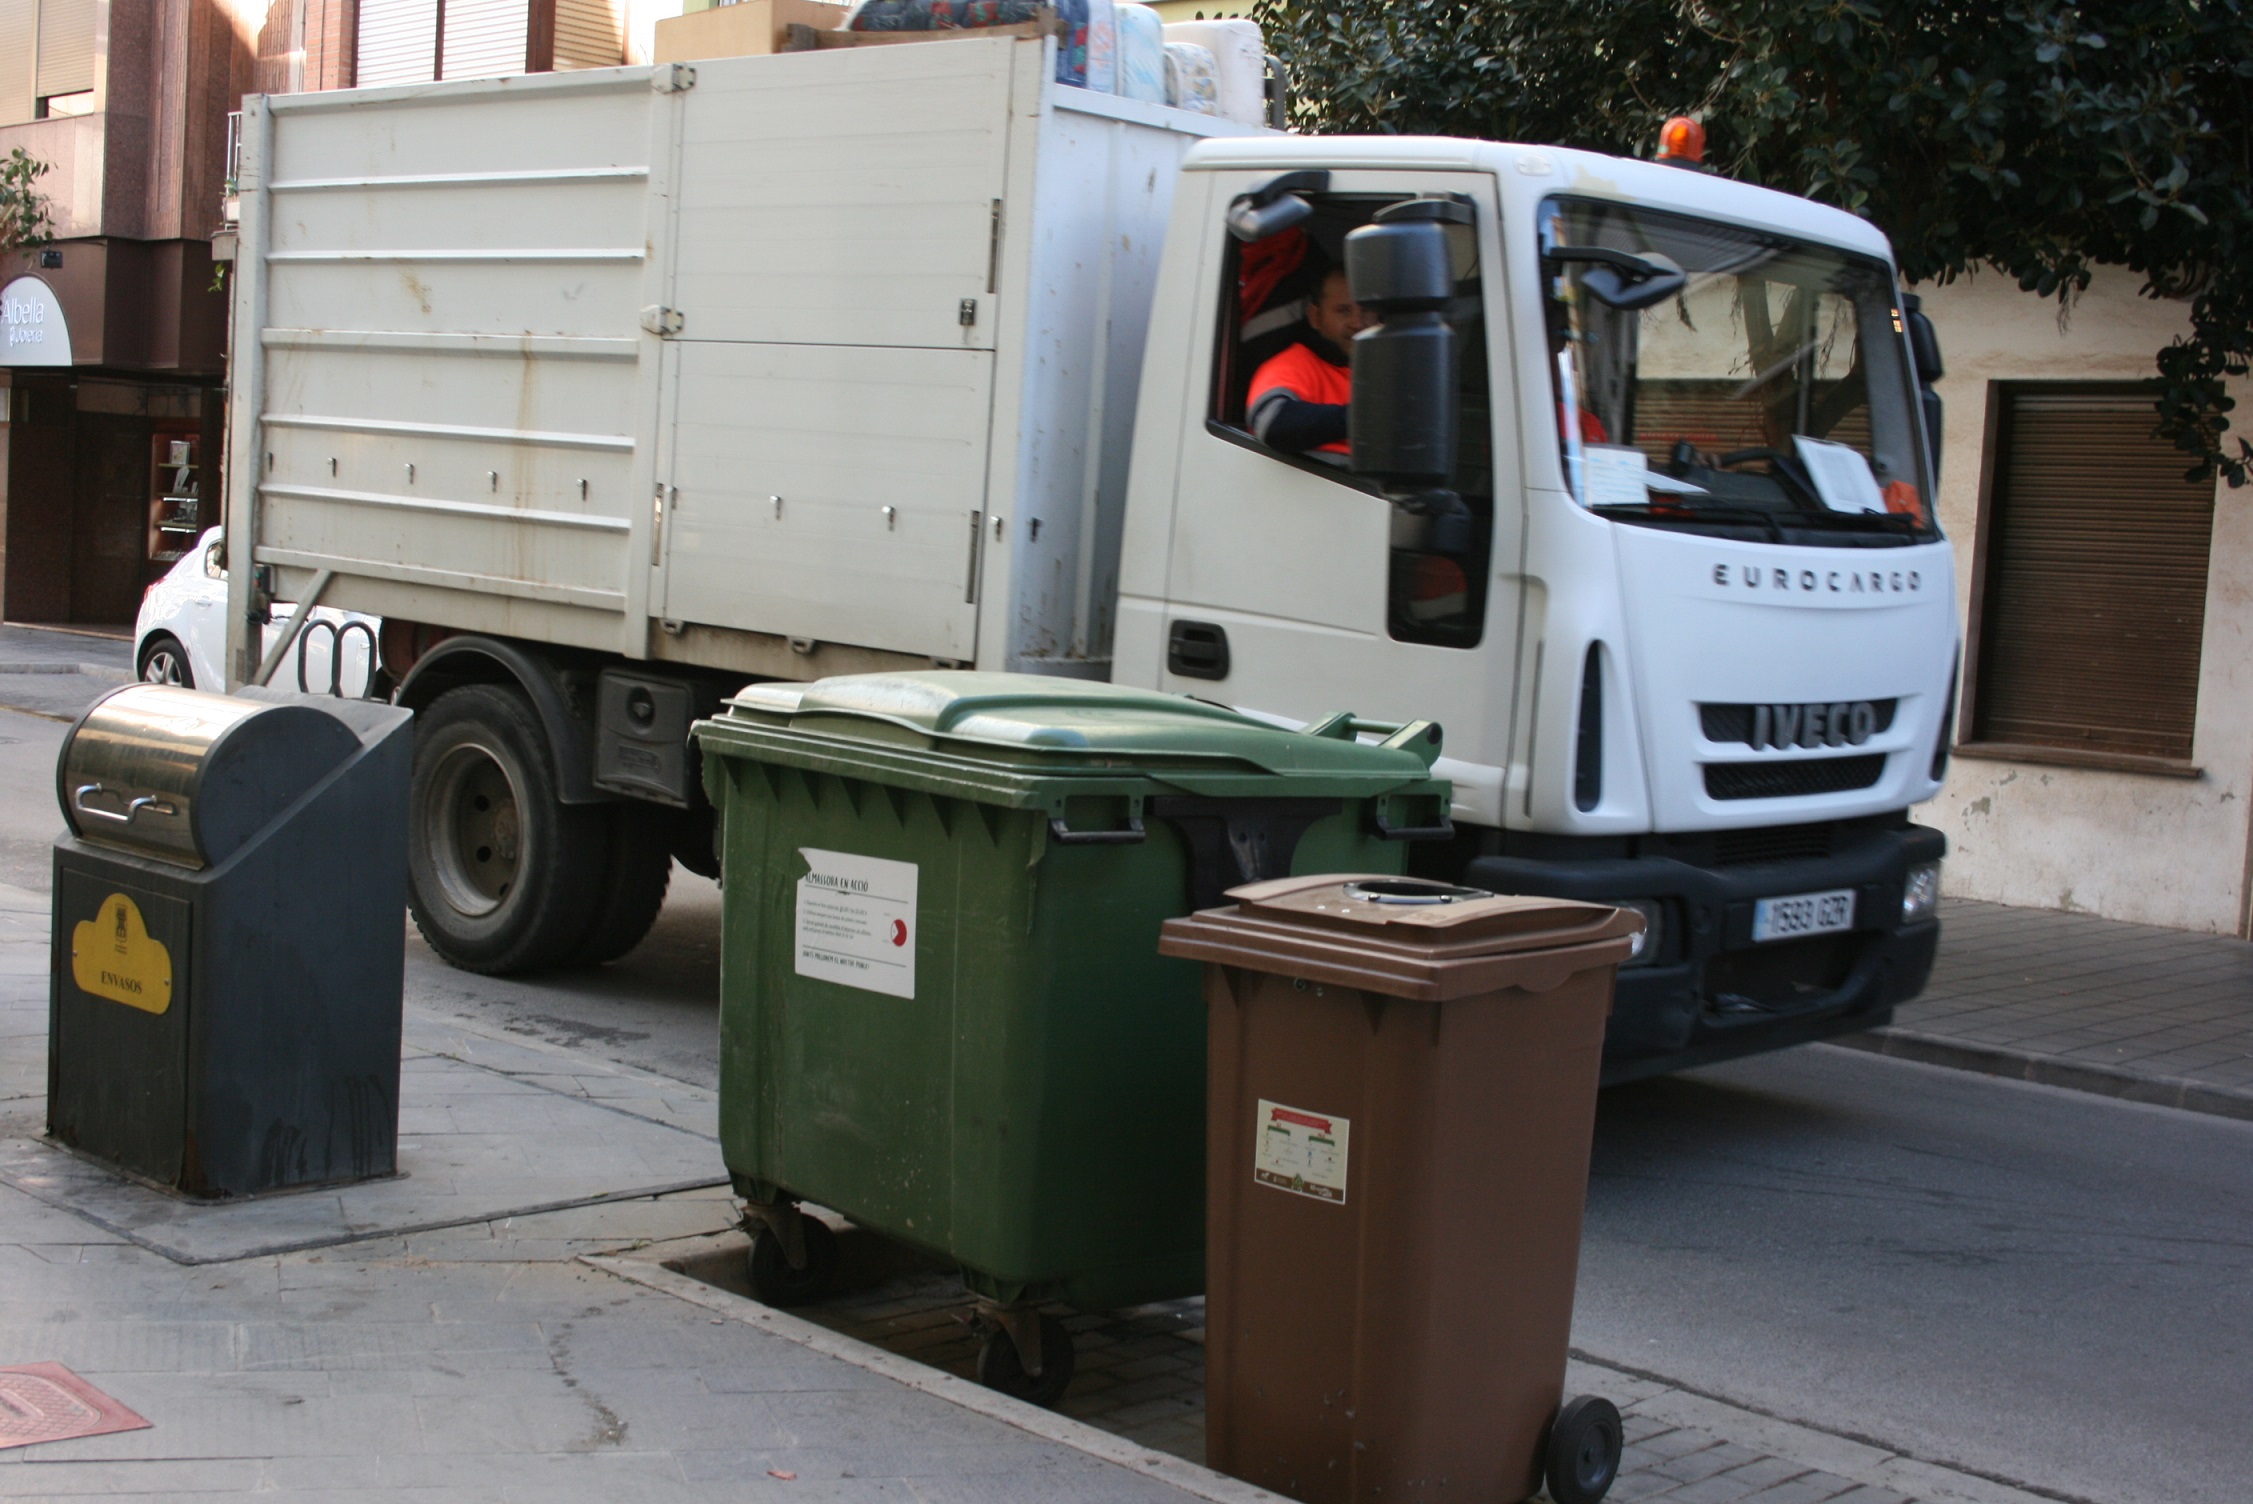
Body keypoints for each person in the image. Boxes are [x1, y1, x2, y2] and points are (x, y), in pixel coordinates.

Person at [1246, 266, 1369, 458]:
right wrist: (1366, 418)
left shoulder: (1388, 370)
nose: (1358, 323)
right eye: (1344, 310)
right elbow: (1270, 421)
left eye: (1367, 310)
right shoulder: (1292, 365)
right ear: (1315, 317)